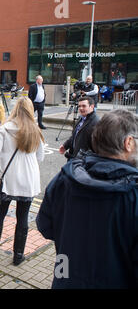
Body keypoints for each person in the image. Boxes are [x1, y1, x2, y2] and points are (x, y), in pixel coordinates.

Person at [36, 109, 138, 289]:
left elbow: (45, 226)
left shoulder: (64, 179)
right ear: (128, 142)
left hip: (65, 276)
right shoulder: (133, 195)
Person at [0, 96, 44, 266]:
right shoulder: (35, 130)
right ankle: (18, 256)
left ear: (15, 109)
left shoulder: (5, 129)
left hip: (7, 179)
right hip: (29, 179)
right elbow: (41, 157)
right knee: (22, 217)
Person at [59, 96, 99, 160]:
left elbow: (96, 146)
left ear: (92, 106)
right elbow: (75, 135)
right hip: (74, 156)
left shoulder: (96, 122)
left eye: (84, 106)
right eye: (79, 106)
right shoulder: (81, 118)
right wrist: (65, 146)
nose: (80, 108)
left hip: (83, 160)